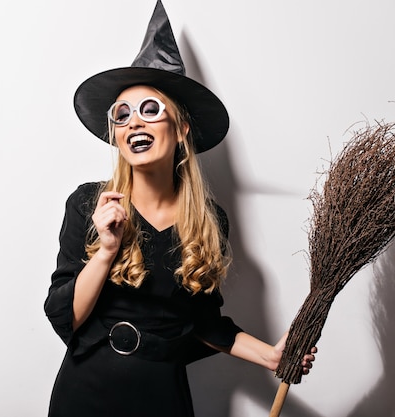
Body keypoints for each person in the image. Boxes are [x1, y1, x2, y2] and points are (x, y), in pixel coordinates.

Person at [44, 2, 316, 416]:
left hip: (162, 397)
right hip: (87, 392)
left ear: (181, 127)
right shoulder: (89, 203)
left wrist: (271, 357)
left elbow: (205, 324)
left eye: (150, 110)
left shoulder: (209, 221)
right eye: (122, 115)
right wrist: (106, 249)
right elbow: (68, 319)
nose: (134, 123)